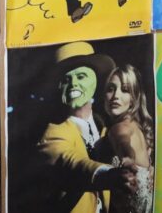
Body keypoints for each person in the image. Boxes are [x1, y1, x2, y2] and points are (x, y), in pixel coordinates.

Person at [37, 41, 137, 212]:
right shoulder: (53, 131)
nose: (73, 84)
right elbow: (72, 163)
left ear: (96, 82)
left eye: (81, 77)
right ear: (59, 88)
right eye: (66, 80)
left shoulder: (104, 126)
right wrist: (109, 175)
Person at [99, 64, 154, 213]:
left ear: (134, 98)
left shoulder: (119, 128)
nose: (116, 95)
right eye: (111, 89)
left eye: (125, 90)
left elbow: (122, 141)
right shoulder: (137, 128)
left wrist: (128, 158)